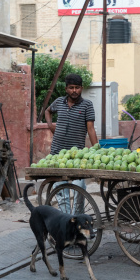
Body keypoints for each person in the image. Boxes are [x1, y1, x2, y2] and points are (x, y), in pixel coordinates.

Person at [45, 74, 98, 213]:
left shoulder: (87, 105)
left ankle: (77, 218)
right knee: (61, 190)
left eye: (77, 88)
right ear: (66, 89)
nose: (74, 91)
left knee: (79, 188)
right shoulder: (59, 102)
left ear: (82, 88)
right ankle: (66, 219)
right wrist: (50, 125)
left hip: (77, 155)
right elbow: (48, 111)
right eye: (71, 88)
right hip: (57, 153)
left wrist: (97, 150)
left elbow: (90, 129)